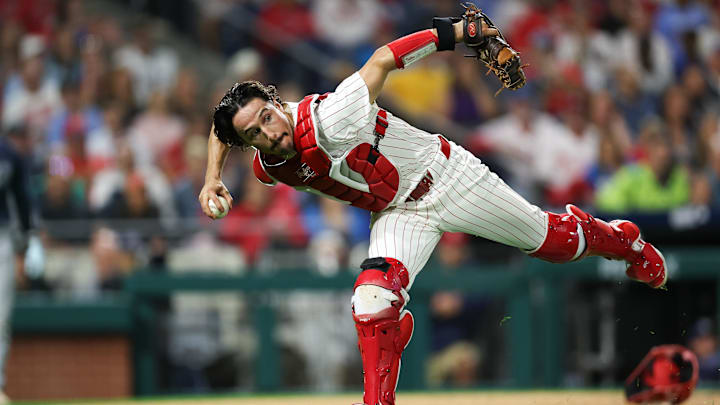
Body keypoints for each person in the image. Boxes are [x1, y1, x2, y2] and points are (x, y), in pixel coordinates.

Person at [199, 8, 668, 405]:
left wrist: (459, 33)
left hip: (446, 177)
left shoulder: (330, 118)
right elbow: (222, 131)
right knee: (371, 300)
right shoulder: (268, 164)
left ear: (279, 102)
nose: (268, 133)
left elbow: (383, 58)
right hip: (398, 214)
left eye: (266, 118)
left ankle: (623, 241)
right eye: (254, 134)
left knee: (555, 244)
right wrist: (211, 178)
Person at [0, 126, 33, 404]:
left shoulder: (8, 154)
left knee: (0, 318)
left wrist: (22, 251)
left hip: (2, 240)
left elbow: (22, 205)